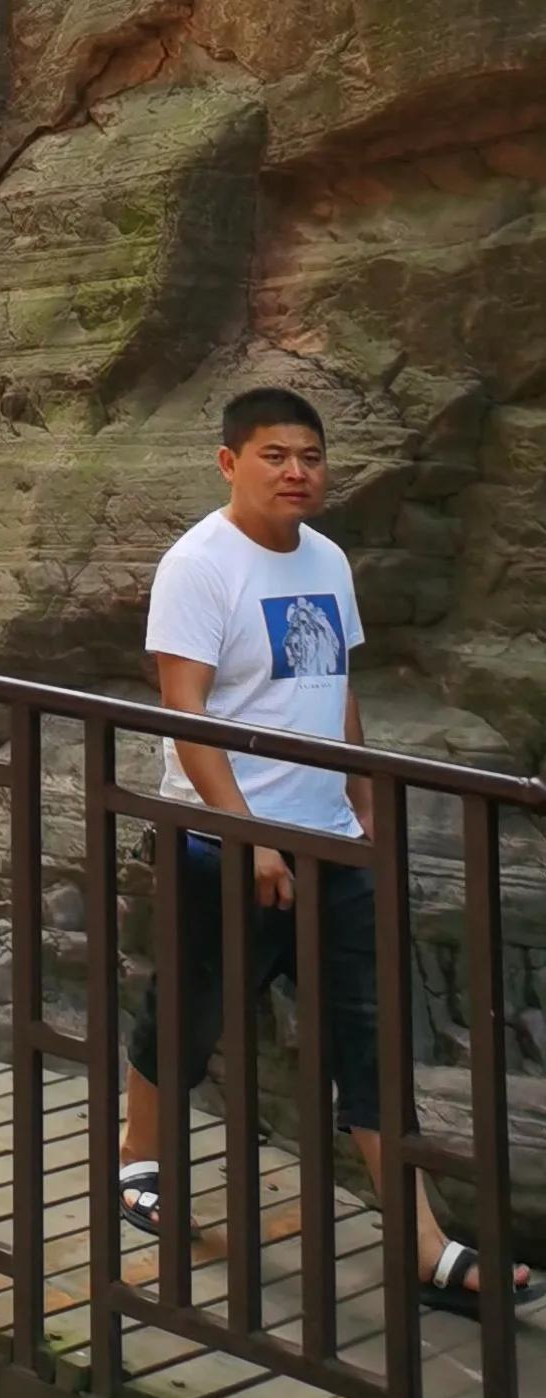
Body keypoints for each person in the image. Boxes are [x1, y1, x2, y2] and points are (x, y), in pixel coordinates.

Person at [123, 386, 536, 1316]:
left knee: (371, 1040)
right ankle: (138, 1158)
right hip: (220, 845)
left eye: (310, 456)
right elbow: (184, 715)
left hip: (330, 844)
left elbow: (333, 683)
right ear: (231, 463)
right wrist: (249, 832)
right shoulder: (198, 566)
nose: (297, 472)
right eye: (275, 456)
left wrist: (360, 798)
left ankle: (425, 1247)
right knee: (189, 1017)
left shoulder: (329, 560)